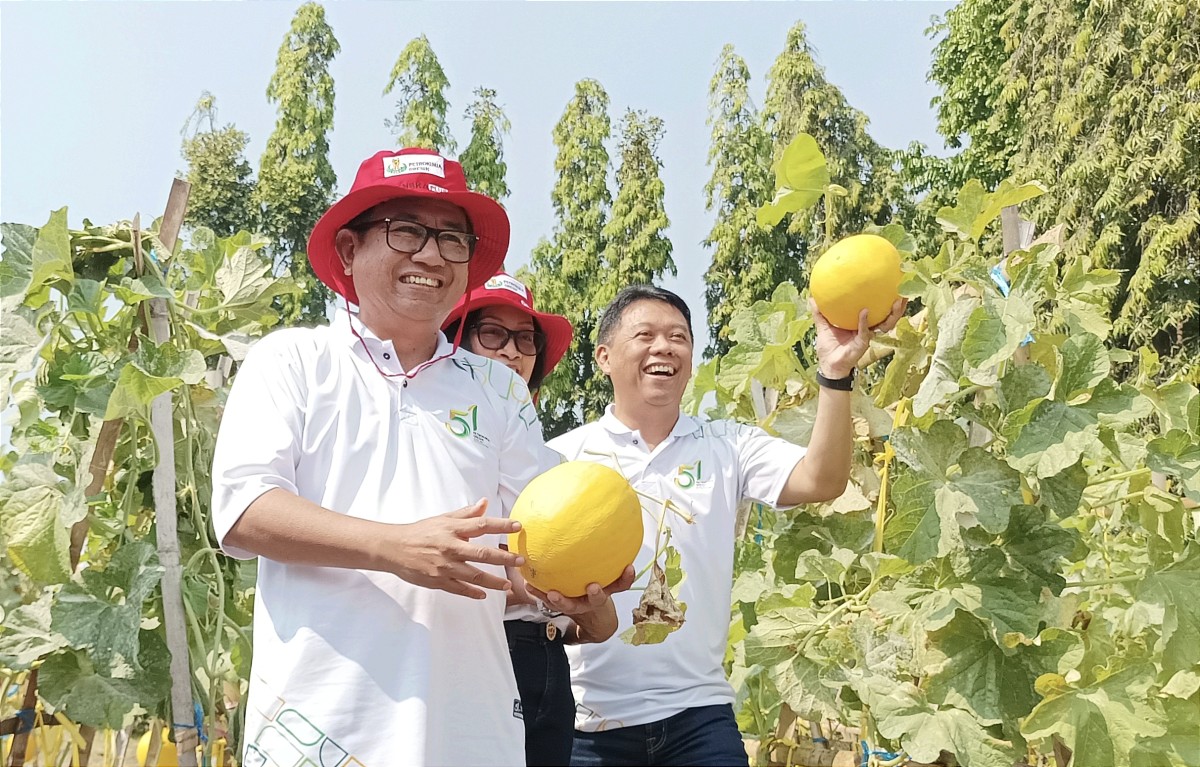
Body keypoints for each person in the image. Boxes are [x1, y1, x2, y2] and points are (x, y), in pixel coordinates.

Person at [209, 148, 611, 767]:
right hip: (319, 729)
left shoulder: (498, 389)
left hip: (471, 733)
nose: (430, 255)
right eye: (406, 231)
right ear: (349, 249)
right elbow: (244, 511)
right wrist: (394, 546)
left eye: (452, 238)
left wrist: (578, 592)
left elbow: (523, 550)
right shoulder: (292, 361)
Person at [549, 284, 905, 767]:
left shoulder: (727, 445)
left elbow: (822, 480)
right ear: (604, 357)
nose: (664, 347)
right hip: (589, 723)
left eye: (678, 337)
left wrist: (835, 372)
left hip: (699, 717)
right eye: (645, 335)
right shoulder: (561, 458)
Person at [442, 272, 632, 766]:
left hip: (545, 665)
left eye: (525, 339)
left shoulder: (558, 475)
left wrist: (590, 605)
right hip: (469, 658)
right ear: (453, 342)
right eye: (492, 334)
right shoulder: (438, 452)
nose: (511, 351)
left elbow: (593, 625)